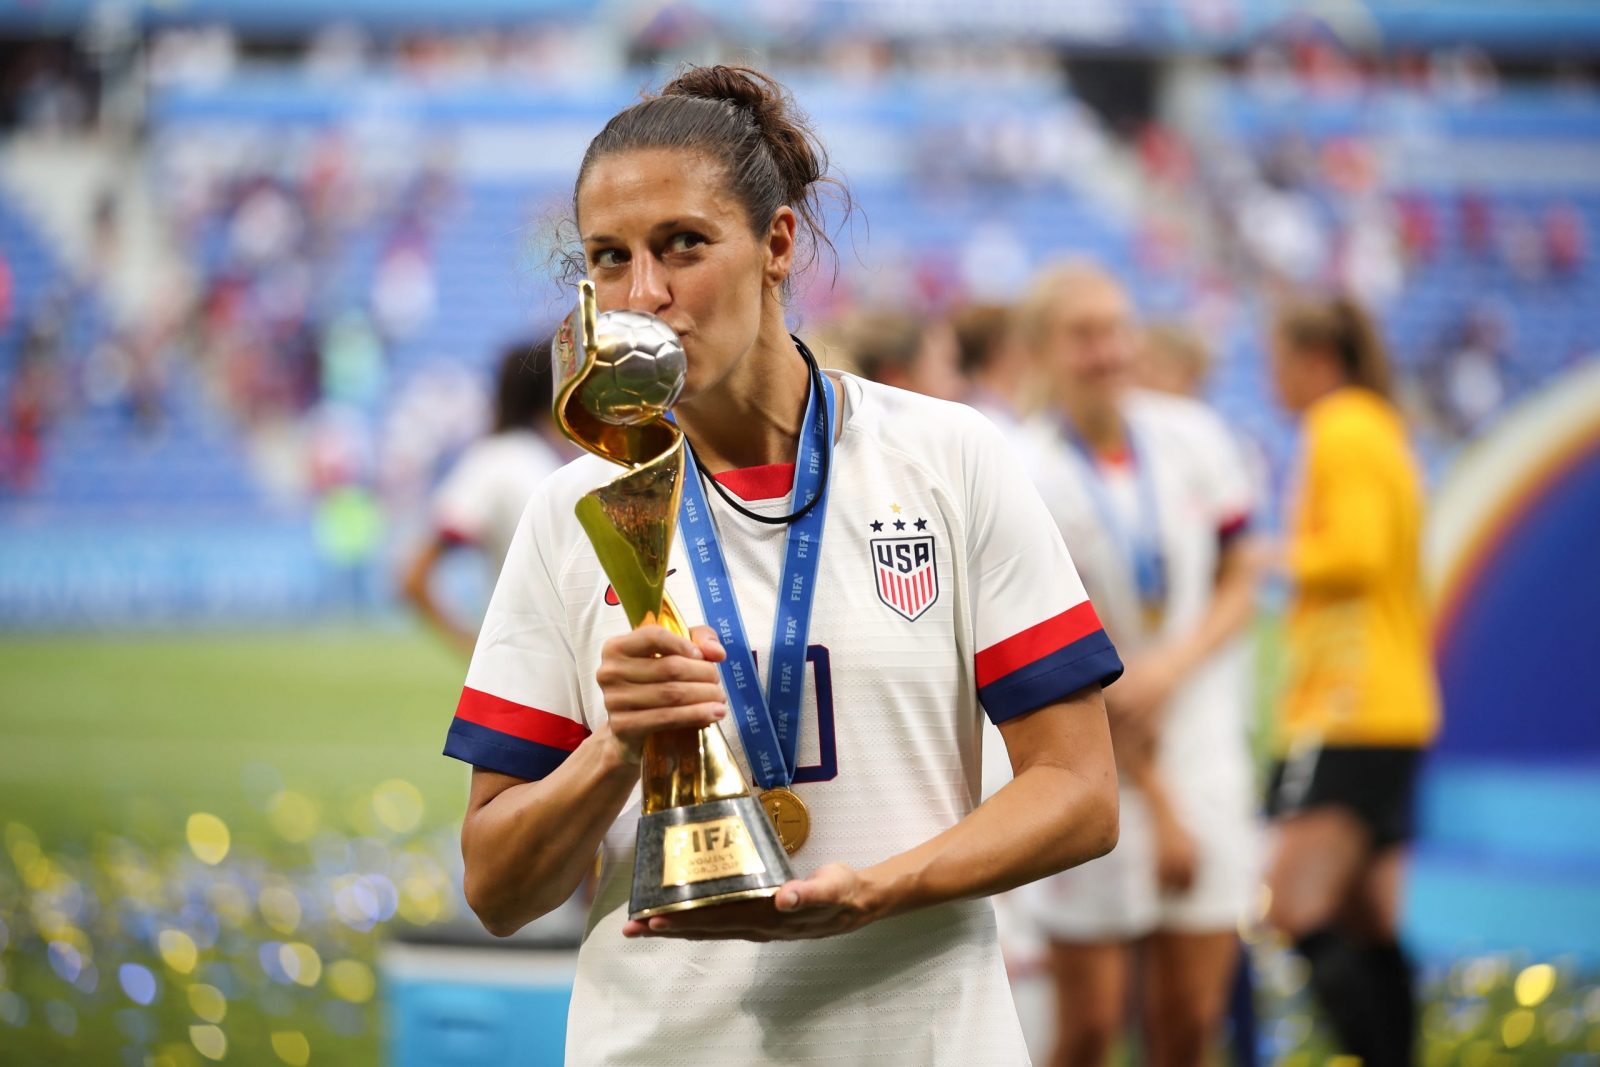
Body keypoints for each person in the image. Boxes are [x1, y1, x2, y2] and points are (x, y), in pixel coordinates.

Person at [441, 65, 1123, 1065]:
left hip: (925, 1035)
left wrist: (880, 889)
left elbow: (1078, 788)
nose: (646, 294)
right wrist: (616, 749)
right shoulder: (574, 512)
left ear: (776, 242)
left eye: (683, 243)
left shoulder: (946, 457)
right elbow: (498, 886)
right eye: (608, 256)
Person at [1018, 262, 1264, 1067]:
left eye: (1118, 329)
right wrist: (1136, 705)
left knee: (1190, 1019)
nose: (1109, 351)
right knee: (1088, 1028)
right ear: (1044, 351)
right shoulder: (1024, 468)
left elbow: (1240, 572)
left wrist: (1173, 665)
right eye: (1084, 335)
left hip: (1199, 744)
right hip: (1096, 751)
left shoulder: (1191, 436)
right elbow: (1042, 639)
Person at [1263, 296, 1440, 1067]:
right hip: (1394, 703)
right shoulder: (1381, 427)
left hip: (1350, 705)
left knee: (1294, 907)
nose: (1271, 379)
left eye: (1277, 360)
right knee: (1368, 918)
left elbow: (1359, 551)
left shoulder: (1341, 427)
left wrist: (1270, 558)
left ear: (1315, 360)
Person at [401, 339, 566, 655]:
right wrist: (475, 650)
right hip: (530, 662)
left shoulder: (552, 458)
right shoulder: (496, 461)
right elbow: (415, 575)